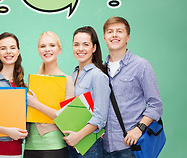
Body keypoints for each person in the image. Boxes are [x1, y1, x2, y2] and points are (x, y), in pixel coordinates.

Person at [102, 17, 163, 158]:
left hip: (131, 146)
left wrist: (139, 129)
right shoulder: (100, 69)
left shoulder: (142, 66)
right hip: (104, 147)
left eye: (119, 31)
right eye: (110, 32)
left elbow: (156, 105)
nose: (114, 35)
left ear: (127, 37)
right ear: (105, 38)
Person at [24, 31, 74, 158]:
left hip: (54, 146)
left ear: (59, 49)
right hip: (30, 146)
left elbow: (65, 118)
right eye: (42, 46)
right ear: (38, 50)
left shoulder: (67, 80)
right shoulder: (32, 82)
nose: (47, 49)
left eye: (52, 45)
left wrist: (36, 104)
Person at [62, 26, 110, 158]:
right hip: (71, 143)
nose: (80, 49)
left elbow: (100, 117)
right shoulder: (72, 76)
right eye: (76, 44)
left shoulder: (98, 76)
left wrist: (78, 136)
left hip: (89, 146)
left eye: (86, 44)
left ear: (94, 48)